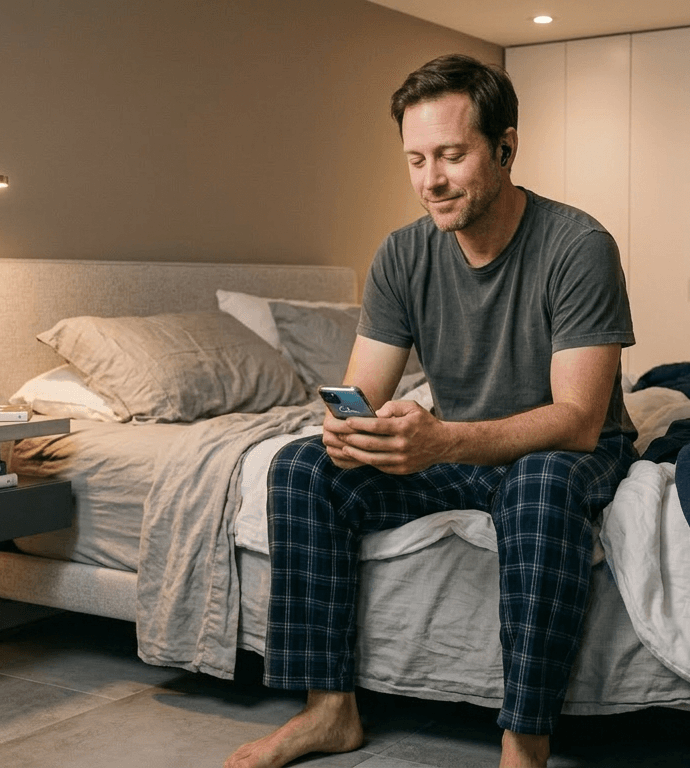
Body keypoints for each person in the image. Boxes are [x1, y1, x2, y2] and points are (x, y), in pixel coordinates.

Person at [225, 53, 637, 768]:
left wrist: (442, 441)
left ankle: (524, 743)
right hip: (458, 449)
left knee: (539, 486)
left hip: (560, 449)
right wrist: (348, 431)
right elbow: (366, 386)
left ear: (506, 147)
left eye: (451, 155)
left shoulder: (579, 246)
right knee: (298, 466)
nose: (430, 181)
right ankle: (328, 712)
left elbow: (578, 419)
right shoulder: (401, 255)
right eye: (416, 159)